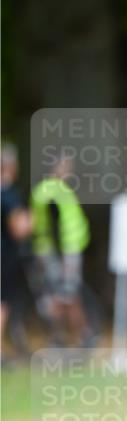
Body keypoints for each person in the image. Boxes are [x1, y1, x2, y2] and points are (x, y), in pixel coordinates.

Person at [29, 154, 91, 346]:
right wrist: (63, 256)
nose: (68, 170)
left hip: (63, 250)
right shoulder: (52, 192)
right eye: (65, 166)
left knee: (62, 294)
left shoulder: (51, 190)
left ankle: (67, 337)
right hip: (60, 252)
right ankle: (69, 337)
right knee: (63, 295)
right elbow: (54, 225)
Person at [1, 144, 31, 360]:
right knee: (2, 302)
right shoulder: (10, 195)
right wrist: (33, 220)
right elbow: (18, 230)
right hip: (5, 255)